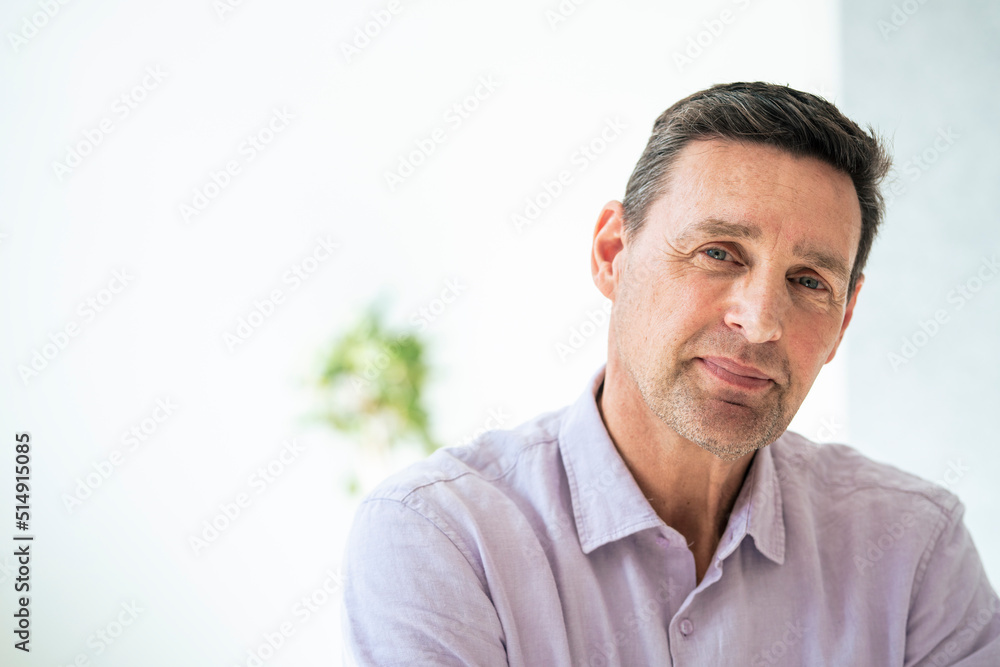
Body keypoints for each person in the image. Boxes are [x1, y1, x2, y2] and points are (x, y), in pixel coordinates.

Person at [339, 82, 1000, 666]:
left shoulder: (916, 551)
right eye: (718, 252)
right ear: (612, 254)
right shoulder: (444, 537)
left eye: (807, 281)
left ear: (845, 318)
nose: (761, 320)